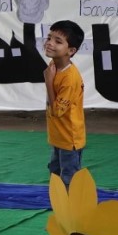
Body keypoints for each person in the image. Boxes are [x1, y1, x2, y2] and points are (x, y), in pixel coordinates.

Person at [43, 20, 89, 181]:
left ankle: (70, 198)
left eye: (58, 41)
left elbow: (57, 112)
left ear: (71, 50)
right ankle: (58, 198)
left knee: (69, 178)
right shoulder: (54, 65)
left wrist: (48, 82)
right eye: (49, 38)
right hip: (58, 136)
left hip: (70, 139)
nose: (50, 43)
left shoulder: (70, 78)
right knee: (55, 174)